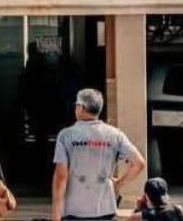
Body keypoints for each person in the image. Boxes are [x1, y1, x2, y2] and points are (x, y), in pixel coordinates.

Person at [51, 88, 145, 221]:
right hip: (105, 209)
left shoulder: (66, 136)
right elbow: (139, 163)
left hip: (74, 211)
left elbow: (61, 177)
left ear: (81, 107)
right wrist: (119, 184)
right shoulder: (115, 134)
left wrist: (56, 213)